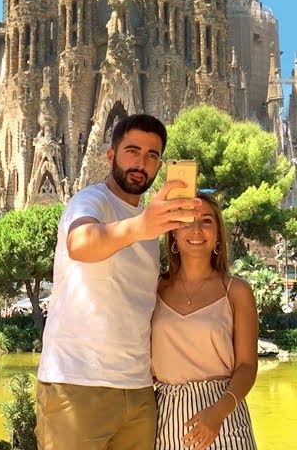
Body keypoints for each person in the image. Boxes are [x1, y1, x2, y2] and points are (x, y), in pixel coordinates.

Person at [36, 114, 203, 450]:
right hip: (77, 383)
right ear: (111, 156)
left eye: (152, 155)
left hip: (137, 388)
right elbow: (81, 243)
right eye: (132, 151)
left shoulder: (150, 222)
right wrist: (141, 227)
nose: (141, 163)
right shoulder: (91, 201)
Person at [151, 192, 258, 450]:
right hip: (165, 417)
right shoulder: (152, 289)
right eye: (187, 220)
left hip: (226, 418)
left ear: (218, 233)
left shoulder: (237, 292)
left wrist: (218, 412)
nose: (197, 229)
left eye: (207, 221)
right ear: (173, 232)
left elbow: (247, 366)